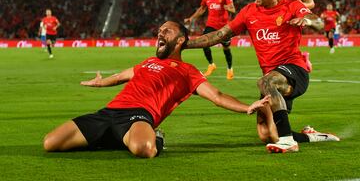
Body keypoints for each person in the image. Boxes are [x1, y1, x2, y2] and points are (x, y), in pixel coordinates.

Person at [43, 21, 269, 158]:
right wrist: (101, 82)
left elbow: (217, 96)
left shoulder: (187, 71)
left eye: (167, 31)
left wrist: (247, 107)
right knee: (50, 143)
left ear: (180, 40)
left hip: (138, 117)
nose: (160, 34)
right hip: (108, 113)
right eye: (160, 30)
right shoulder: (147, 62)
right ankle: (113, 138)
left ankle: (155, 136)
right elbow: (122, 76)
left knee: (145, 149)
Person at [184, 0, 340, 154]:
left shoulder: (292, 5)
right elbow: (219, 35)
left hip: (294, 70)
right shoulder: (249, 12)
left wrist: (307, 21)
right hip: (273, 78)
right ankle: (311, 136)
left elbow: (318, 22)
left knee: (265, 82)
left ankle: (288, 141)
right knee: (266, 134)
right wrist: (185, 44)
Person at [184, 0, 236, 80]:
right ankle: (211, 64)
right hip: (211, 25)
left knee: (226, 48)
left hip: (223, 27)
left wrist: (227, 8)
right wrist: (191, 18)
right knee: (204, 43)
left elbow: (233, 9)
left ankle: (230, 69)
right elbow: (202, 9)